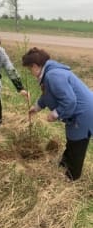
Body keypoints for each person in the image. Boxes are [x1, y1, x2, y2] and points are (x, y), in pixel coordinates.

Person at [22, 47, 93, 181]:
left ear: (35, 66)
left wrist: (55, 114)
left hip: (83, 114)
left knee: (78, 144)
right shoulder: (50, 74)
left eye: (29, 69)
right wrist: (37, 107)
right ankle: (64, 163)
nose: (30, 72)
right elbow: (49, 94)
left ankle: (72, 177)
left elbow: (70, 101)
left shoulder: (53, 75)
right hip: (76, 114)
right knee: (72, 140)